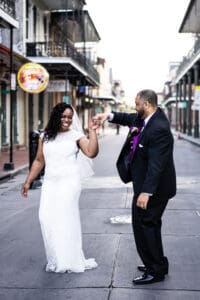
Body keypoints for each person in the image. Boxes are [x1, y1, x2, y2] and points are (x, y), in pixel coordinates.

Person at [93, 89, 176, 284]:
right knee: (148, 225)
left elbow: (156, 166)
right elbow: (129, 117)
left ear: (146, 104)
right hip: (146, 185)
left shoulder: (159, 129)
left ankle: (154, 270)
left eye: (137, 104)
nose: (135, 107)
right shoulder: (146, 118)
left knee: (145, 226)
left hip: (154, 189)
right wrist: (109, 116)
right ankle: (157, 263)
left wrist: (146, 193)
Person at [21, 102, 99, 273]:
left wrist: (92, 131)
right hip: (50, 182)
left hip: (69, 182)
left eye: (70, 117)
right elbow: (39, 160)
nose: (67, 120)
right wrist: (28, 181)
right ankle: (56, 257)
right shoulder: (45, 137)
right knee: (45, 217)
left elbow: (91, 152)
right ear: (56, 116)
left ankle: (68, 260)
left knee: (65, 218)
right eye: (63, 116)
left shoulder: (76, 136)